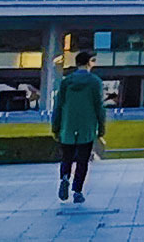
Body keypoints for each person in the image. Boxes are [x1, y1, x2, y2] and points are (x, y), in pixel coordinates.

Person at [52, 51, 106, 203]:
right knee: (82, 160)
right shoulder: (95, 82)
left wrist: (56, 127)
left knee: (66, 158)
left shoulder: (66, 81)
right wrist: (101, 128)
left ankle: (64, 177)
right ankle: (77, 191)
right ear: (89, 62)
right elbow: (99, 107)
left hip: (67, 126)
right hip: (86, 127)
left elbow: (59, 106)